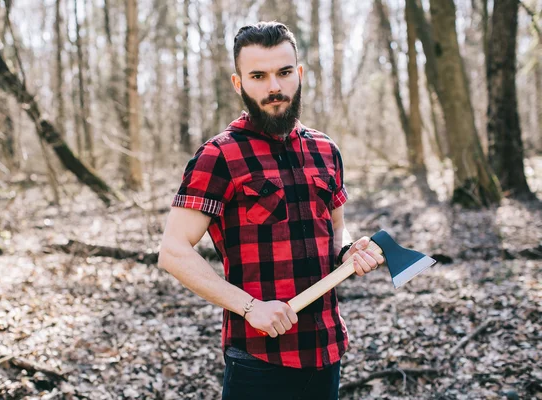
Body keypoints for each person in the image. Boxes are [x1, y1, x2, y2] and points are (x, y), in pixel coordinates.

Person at [158, 21, 385, 400]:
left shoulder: (325, 150)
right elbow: (173, 251)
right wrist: (249, 307)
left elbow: (336, 230)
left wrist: (349, 252)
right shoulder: (219, 156)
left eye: (282, 73)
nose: (273, 87)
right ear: (238, 83)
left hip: (326, 347)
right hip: (258, 358)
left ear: (299, 74)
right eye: (258, 76)